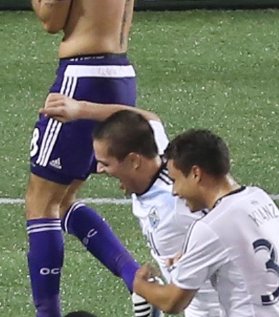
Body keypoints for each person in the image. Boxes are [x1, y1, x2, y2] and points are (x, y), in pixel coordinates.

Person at [24, 0, 142, 316]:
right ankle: (137, 281)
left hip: (83, 77)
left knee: (40, 203)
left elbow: (50, 18)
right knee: (63, 201)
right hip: (120, 73)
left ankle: (48, 314)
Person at [41, 93, 223, 317]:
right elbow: (148, 118)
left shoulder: (175, 203)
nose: (99, 170)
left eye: (106, 163)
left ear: (134, 161)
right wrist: (80, 110)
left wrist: (143, 288)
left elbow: (228, 225)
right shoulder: (157, 148)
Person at [133, 130, 279, 317]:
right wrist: (192, 256)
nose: (174, 191)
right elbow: (243, 255)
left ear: (196, 174)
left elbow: (172, 302)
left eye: (176, 180)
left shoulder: (211, 227)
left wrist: (140, 286)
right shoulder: (260, 198)